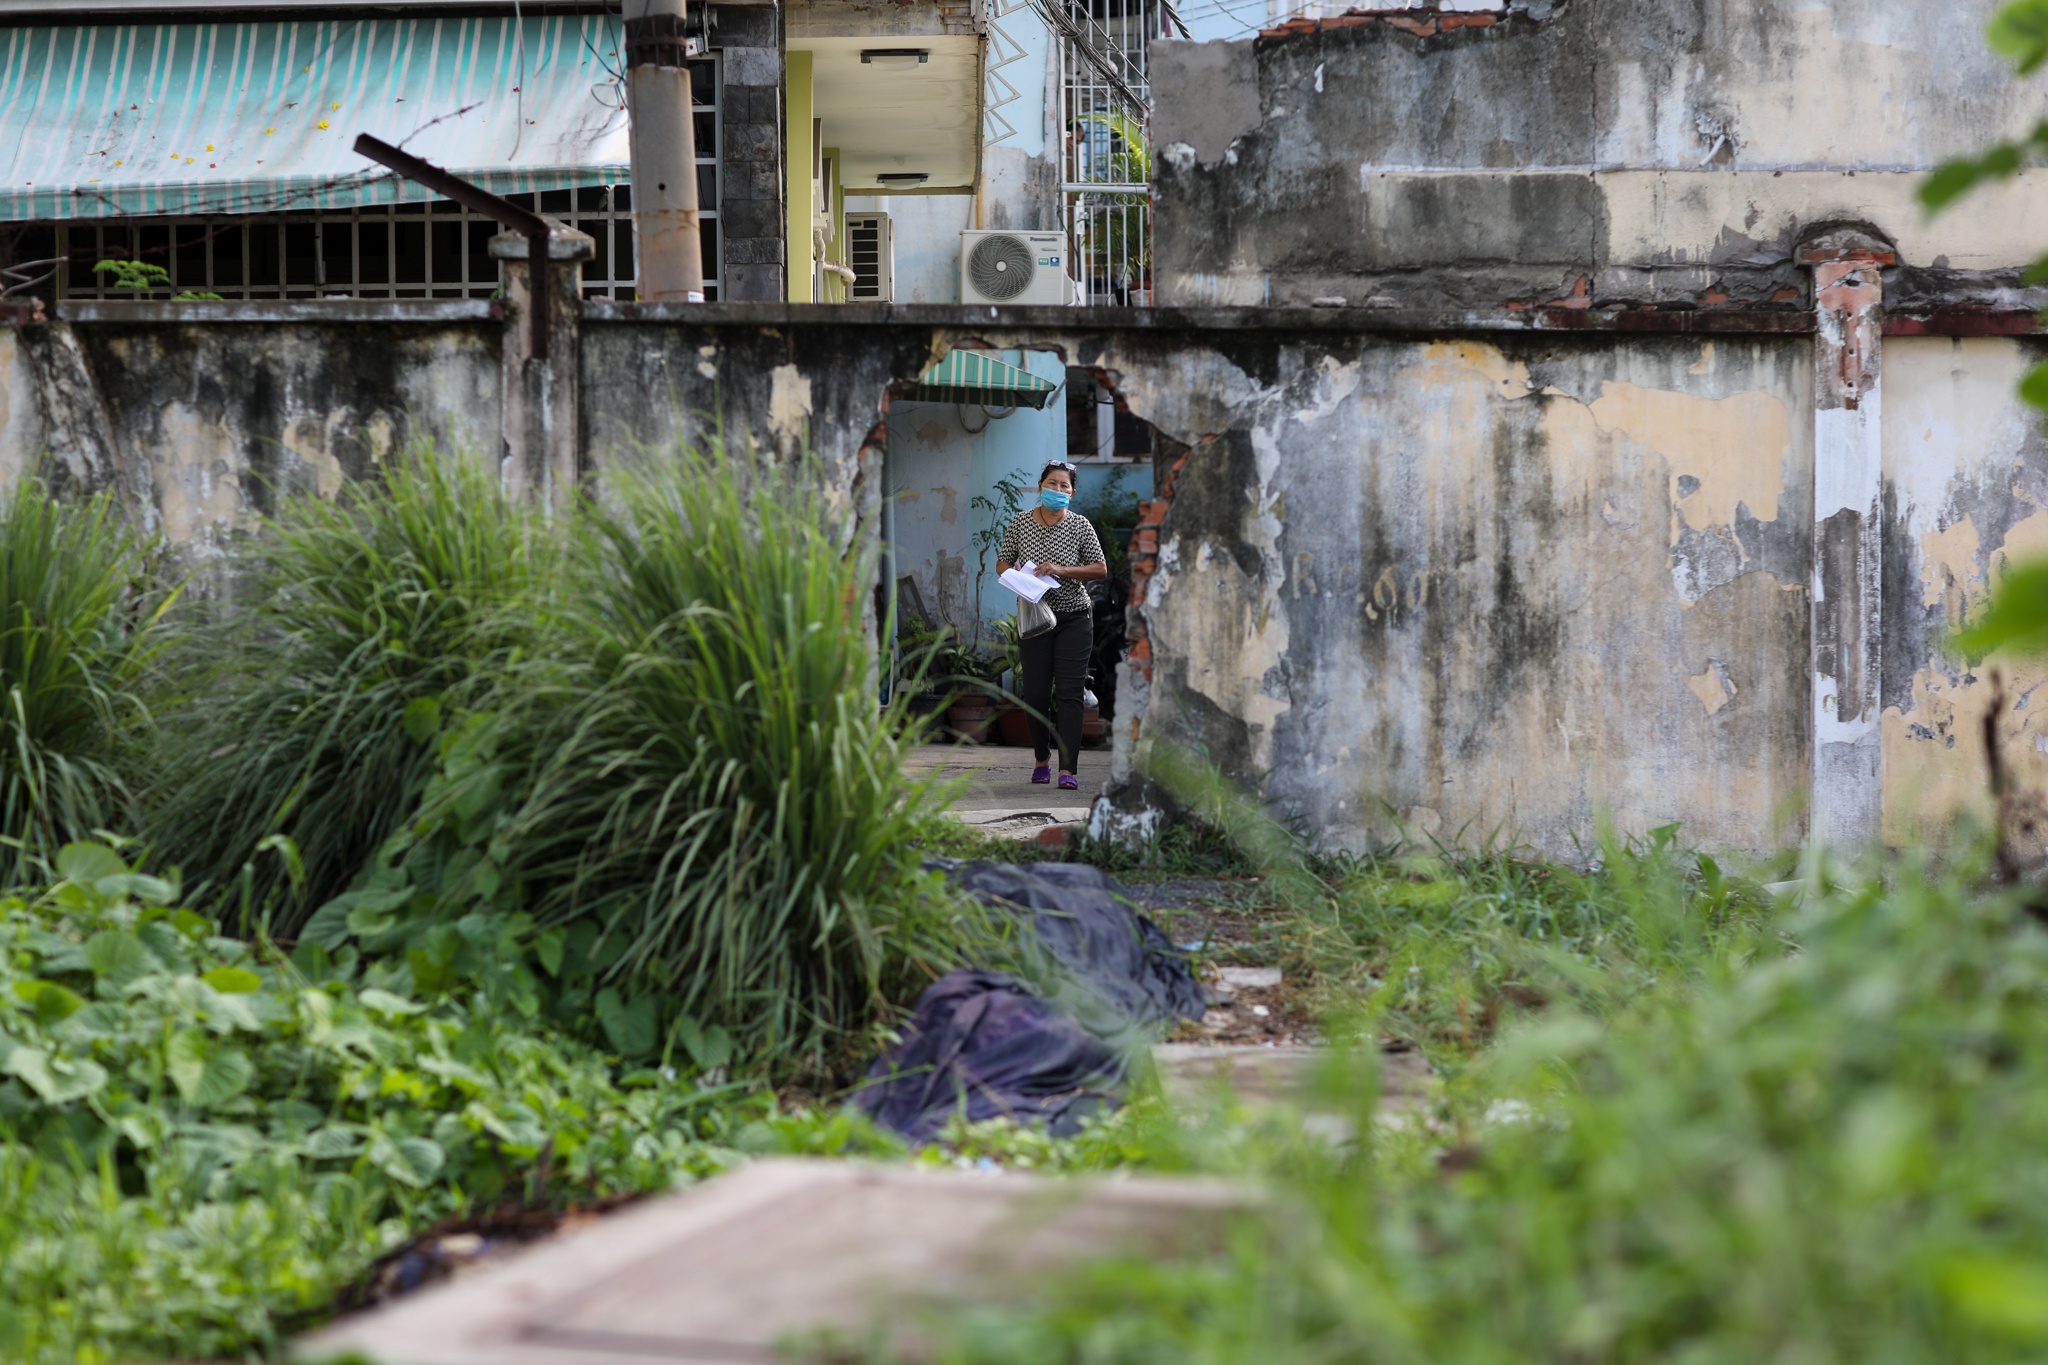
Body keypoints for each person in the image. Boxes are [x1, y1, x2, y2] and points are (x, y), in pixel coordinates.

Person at [997, 459, 1107, 790]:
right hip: (1035, 618)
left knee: (1070, 693)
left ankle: (1067, 770)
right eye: (1052, 483)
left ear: (1072, 493)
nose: (1057, 490)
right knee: (1035, 693)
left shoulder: (1081, 526)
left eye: (1064, 486)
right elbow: (1002, 562)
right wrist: (1018, 576)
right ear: (1041, 486)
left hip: (1074, 617)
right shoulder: (1020, 523)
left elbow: (1100, 568)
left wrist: (1061, 570)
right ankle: (1041, 759)